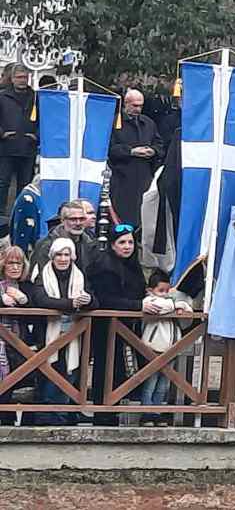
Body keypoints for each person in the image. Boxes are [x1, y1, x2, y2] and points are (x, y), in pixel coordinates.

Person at [86, 223, 153, 424]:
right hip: (106, 327)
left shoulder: (133, 266)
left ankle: (116, 409)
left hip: (128, 327)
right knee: (106, 366)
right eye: (122, 242)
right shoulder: (104, 266)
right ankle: (103, 412)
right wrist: (139, 305)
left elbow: (138, 289)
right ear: (113, 245)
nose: (127, 246)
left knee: (123, 368)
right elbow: (105, 299)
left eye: (130, 242)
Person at [29, 238, 93, 424]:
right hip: (48, 333)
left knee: (69, 372)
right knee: (48, 372)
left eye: (67, 254)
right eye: (59, 254)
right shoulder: (43, 274)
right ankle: (45, 416)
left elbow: (94, 299)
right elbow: (41, 299)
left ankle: (62, 415)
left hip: (74, 333)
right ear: (52, 256)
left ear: (72, 257)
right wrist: (71, 304)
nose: (63, 258)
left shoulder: (80, 275)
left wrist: (87, 300)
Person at [139, 269, 192, 426]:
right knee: (150, 383)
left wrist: (179, 306)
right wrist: (178, 305)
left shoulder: (170, 303)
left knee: (163, 385)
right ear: (150, 290)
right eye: (161, 291)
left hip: (171, 349)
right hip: (153, 347)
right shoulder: (149, 302)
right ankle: (146, 413)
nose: (165, 294)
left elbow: (188, 312)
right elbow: (160, 307)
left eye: (167, 290)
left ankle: (157, 412)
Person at [108, 89, 163, 227]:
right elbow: (109, 148)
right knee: (124, 216)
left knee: (144, 215)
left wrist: (153, 151)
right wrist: (131, 151)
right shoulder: (114, 122)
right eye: (134, 105)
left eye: (140, 106)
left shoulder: (148, 123)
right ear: (126, 104)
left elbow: (160, 145)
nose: (138, 109)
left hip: (145, 176)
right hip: (122, 178)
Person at [0, 65, 38, 217]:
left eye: (25, 77)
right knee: (3, 182)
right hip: (7, 146)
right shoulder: (2, 97)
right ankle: (2, 214)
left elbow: (46, 119)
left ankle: (21, 212)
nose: (22, 80)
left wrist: (37, 135)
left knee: (25, 184)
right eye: (19, 77)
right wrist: (2, 134)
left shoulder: (36, 97)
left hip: (28, 147)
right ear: (12, 79)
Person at [0, 246, 31, 424]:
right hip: (2, 344)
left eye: (18, 263)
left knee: (18, 382)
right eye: (10, 263)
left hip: (20, 343)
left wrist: (23, 300)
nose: (14, 267)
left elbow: (37, 303)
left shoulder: (27, 286)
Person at [30, 201, 98, 279]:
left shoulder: (90, 244)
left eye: (81, 219)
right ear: (62, 220)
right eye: (73, 219)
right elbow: (40, 278)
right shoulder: (46, 245)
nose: (78, 223)